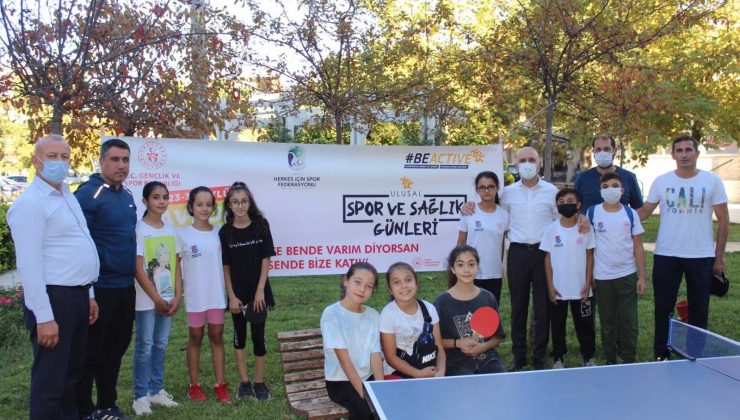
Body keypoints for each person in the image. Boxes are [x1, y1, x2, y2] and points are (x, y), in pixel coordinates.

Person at [7, 134, 100, 420]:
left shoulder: (66, 195)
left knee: (72, 375)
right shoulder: (30, 204)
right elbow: (30, 265)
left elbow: (78, 244)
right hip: (54, 299)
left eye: (64, 157)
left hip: (77, 296)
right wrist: (44, 317)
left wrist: (89, 294)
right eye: (52, 156)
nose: (60, 162)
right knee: (52, 379)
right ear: (36, 162)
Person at [638, 135, 729, 361]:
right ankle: (661, 353)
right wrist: (614, 216)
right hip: (666, 255)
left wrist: (719, 257)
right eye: (679, 150)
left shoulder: (712, 181)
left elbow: (724, 220)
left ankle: (694, 354)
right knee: (663, 307)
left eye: (689, 150)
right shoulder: (661, 181)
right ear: (673, 155)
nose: (684, 154)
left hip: (701, 256)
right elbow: (645, 211)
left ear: (697, 153)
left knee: (699, 309)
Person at [75, 138, 137, 420]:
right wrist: (89, 289)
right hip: (100, 288)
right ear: (101, 161)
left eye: (125, 160)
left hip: (125, 286)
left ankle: (107, 406)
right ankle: (83, 410)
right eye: (115, 159)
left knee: (115, 349)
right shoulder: (88, 195)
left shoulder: (127, 196)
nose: (121, 165)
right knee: (91, 352)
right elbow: (78, 243)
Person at [220, 181, 276, 400]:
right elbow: (226, 266)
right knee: (240, 338)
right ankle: (244, 382)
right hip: (237, 294)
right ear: (229, 205)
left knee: (258, 338)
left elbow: (265, 259)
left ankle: (259, 382)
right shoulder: (225, 232)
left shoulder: (261, 225)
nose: (240, 205)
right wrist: (231, 296)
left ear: (250, 203)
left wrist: (260, 290)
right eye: (235, 202)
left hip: (258, 293)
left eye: (244, 201)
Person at [131, 181, 182, 415]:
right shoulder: (139, 230)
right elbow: (138, 269)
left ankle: (156, 390)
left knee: (160, 344)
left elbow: (177, 266)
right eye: (155, 197)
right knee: (145, 346)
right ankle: (140, 396)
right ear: (145, 201)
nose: (161, 201)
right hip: (146, 301)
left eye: (165, 197)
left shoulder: (170, 230)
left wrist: (177, 296)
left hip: (168, 299)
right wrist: (155, 299)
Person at [177, 187, 231, 403]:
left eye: (209, 204)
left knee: (217, 336)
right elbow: (177, 269)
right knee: (196, 337)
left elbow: (227, 265)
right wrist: (178, 293)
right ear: (191, 207)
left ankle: (220, 385)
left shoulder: (220, 233)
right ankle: (194, 385)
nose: (204, 208)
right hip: (195, 296)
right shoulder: (182, 234)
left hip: (216, 295)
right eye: (199, 204)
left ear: (213, 207)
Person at [588, 172, 647, 365]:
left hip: (627, 274)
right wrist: (588, 276)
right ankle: (611, 359)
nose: (610, 190)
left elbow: (638, 246)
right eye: (605, 187)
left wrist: (642, 277)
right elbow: (588, 248)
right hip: (602, 276)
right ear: (600, 191)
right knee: (607, 321)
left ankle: (628, 357)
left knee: (629, 320)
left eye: (615, 186)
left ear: (622, 190)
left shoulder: (630, 214)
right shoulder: (592, 213)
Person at [540, 188, 596, 368]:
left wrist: (588, 283)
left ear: (579, 205)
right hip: (558, 288)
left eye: (570, 201)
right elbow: (547, 258)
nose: (566, 205)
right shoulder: (551, 229)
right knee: (557, 325)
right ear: (556, 206)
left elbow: (589, 255)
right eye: (561, 202)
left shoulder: (585, 228)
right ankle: (558, 357)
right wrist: (550, 285)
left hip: (582, 288)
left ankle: (588, 356)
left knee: (585, 324)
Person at [320, 262, 384, 420]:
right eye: (357, 282)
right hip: (340, 381)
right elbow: (344, 361)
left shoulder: (373, 315)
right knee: (365, 412)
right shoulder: (332, 313)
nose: (362, 289)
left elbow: (375, 354)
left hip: (368, 378)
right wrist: (366, 396)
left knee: (386, 408)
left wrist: (380, 389)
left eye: (369, 286)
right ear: (346, 281)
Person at [434, 245, 506, 376]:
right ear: (453, 269)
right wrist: (458, 343)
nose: (466, 270)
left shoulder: (487, 298)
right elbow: (436, 341)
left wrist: (483, 347)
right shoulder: (442, 302)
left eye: (471, 264)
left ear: (478, 267)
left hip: (488, 359)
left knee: (500, 384)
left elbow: (498, 337)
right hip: (455, 363)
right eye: (460, 265)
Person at [380, 262, 446, 378]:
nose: (404, 286)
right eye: (397, 282)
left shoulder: (429, 309)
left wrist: (440, 372)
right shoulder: (388, 314)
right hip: (398, 373)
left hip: (427, 369)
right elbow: (390, 357)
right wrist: (418, 374)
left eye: (408, 280)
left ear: (417, 283)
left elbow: (438, 346)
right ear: (390, 289)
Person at [457, 171, 509, 304]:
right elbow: (461, 242)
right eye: (482, 187)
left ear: (497, 188)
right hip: (471, 272)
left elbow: (501, 244)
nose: (486, 190)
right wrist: (459, 268)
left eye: (490, 187)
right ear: (477, 189)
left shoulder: (504, 214)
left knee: (490, 311)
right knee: (470, 310)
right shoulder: (468, 212)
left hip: (494, 273)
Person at [574, 134, 643, 212]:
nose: (602, 152)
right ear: (593, 152)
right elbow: (575, 208)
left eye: (606, 149)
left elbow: (639, 209)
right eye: (598, 149)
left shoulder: (629, 177)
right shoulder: (582, 178)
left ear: (614, 151)